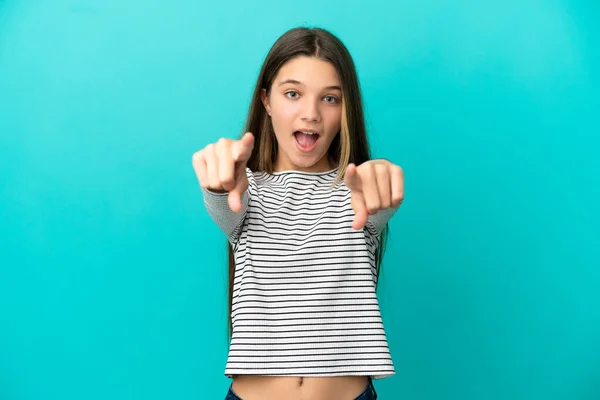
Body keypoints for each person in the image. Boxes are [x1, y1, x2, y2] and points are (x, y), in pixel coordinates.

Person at [192, 26, 404, 400]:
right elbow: (224, 203)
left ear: (345, 110)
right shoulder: (247, 191)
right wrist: (219, 184)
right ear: (267, 101)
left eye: (330, 99)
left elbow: (375, 207)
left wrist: (381, 187)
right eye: (293, 93)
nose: (311, 113)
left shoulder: (357, 192)